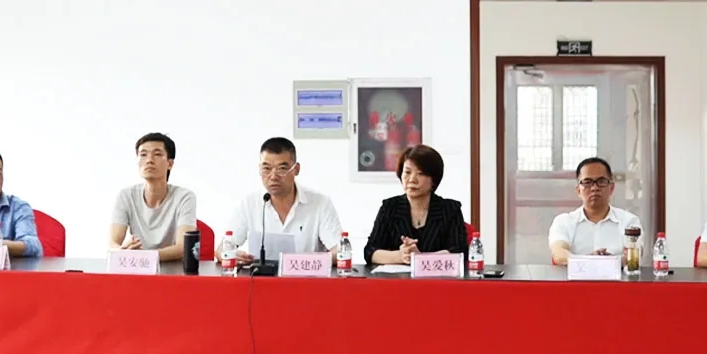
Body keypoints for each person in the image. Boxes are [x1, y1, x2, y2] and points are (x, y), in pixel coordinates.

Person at [217, 137, 342, 265]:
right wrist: (231, 255)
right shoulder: (250, 203)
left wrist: (307, 261)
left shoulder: (320, 203)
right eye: (266, 169)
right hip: (262, 277)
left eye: (281, 169)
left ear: (296, 169)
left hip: (306, 276)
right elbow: (222, 249)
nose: (273, 176)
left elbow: (340, 251)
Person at [364, 144, 468, 265]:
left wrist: (421, 259)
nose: (412, 179)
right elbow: (370, 251)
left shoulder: (450, 209)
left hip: (438, 277)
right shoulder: (390, 207)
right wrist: (400, 256)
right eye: (407, 172)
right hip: (398, 276)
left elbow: (460, 252)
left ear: (433, 180)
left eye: (421, 173)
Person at [109, 133, 197, 261]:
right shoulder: (126, 196)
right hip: (137, 267)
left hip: (173, 268)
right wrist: (123, 251)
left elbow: (183, 247)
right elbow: (112, 244)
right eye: (143, 154)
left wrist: (142, 257)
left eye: (157, 154)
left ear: (170, 164)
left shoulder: (184, 197)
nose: (149, 160)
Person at [548, 157, 640, 265]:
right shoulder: (563, 221)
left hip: (617, 276)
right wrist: (590, 261)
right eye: (587, 182)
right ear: (578, 190)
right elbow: (559, 254)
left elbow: (633, 258)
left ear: (611, 188)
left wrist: (593, 262)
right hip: (576, 277)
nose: (594, 188)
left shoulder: (629, 222)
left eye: (601, 181)